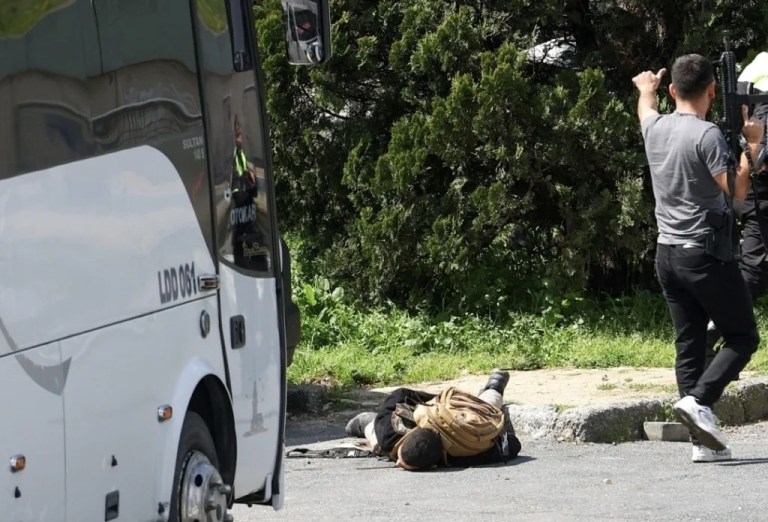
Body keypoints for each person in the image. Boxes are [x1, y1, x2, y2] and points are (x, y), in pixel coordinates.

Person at [632, 54, 763, 462]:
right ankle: (699, 401)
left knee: (689, 343)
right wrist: (753, 143)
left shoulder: (655, 127)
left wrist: (646, 88)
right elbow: (736, 191)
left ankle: (701, 443)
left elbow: (645, 108)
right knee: (743, 337)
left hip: (667, 253)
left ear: (673, 90)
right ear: (712, 90)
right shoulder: (707, 135)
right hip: (704, 254)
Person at [706, 52, 768, 364]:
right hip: (761, 186)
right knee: (755, 269)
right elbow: (761, 144)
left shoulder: (757, 65)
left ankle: (713, 328)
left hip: (752, 182)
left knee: (755, 268)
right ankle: (713, 328)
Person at [344, 369, 521, 471]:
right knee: (477, 410)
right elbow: (400, 394)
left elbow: (512, 445)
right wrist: (436, 402)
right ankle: (495, 386)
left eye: (400, 461)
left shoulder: (389, 436)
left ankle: (366, 423)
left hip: (464, 410)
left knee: (379, 442)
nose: (397, 463)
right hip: (460, 410)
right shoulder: (459, 457)